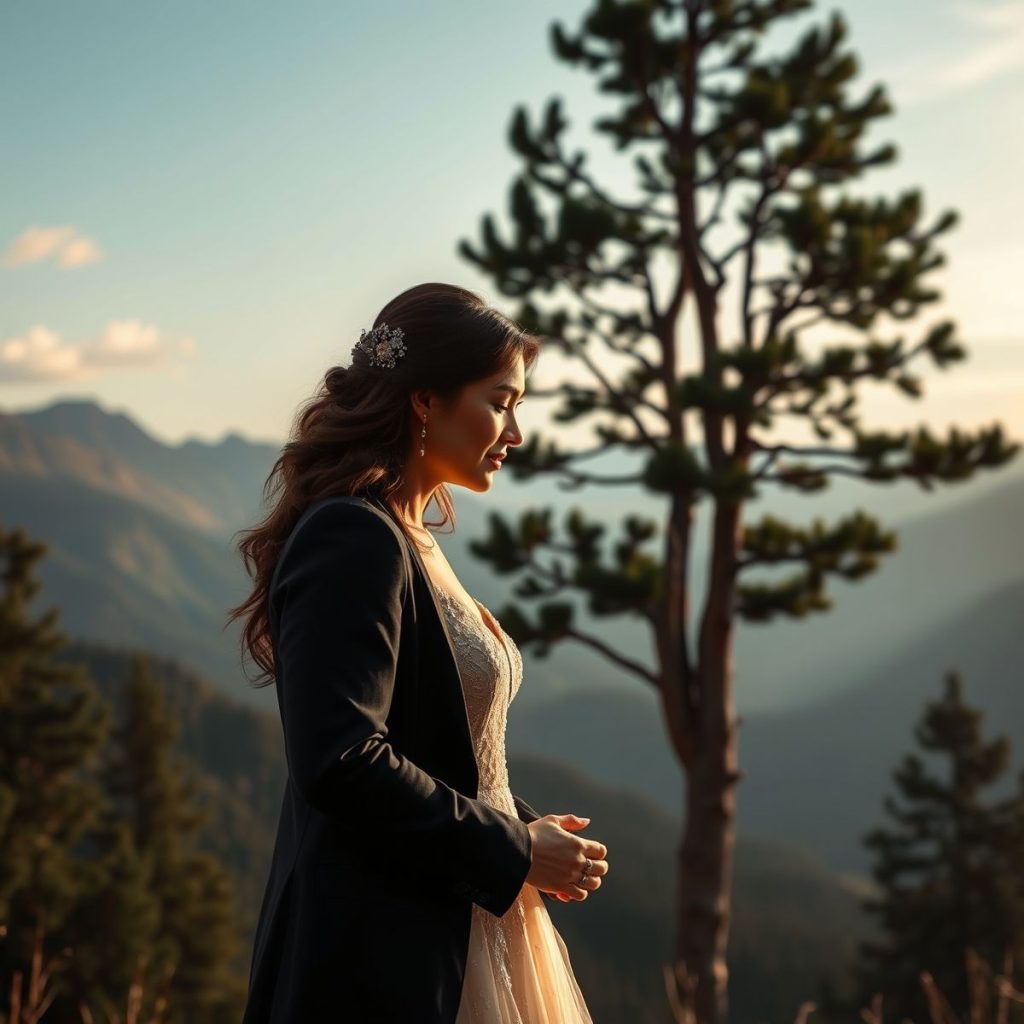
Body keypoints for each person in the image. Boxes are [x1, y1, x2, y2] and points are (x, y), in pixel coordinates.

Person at [229, 282, 608, 1023]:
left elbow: (428, 737)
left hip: (462, 922)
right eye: (500, 402)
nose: (515, 432)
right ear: (426, 400)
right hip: (386, 954)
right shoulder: (353, 535)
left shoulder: (411, 536)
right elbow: (341, 760)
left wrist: (524, 827)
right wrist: (511, 849)